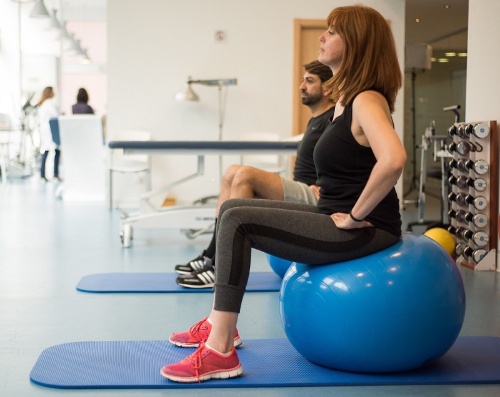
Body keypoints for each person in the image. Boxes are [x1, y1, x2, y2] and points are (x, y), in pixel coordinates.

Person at [161, 4, 406, 383]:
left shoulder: (366, 99)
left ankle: (220, 351)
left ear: (356, 43)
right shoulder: (344, 100)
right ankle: (218, 326)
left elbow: (393, 160)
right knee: (233, 210)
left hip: (368, 229)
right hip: (330, 214)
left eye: (333, 31)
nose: (323, 37)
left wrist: (357, 216)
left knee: (240, 220)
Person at [175, 60, 335, 288]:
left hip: (313, 196)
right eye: (303, 80)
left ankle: (220, 270)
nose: (301, 86)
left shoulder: (332, 119)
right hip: (300, 187)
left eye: (309, 81)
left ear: (327, 88)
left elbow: (340, 157)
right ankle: (210, 255)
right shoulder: (315, 119)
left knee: (245, 175)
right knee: (232, 171)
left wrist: (328, 187)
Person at [37, 86, 60, 182]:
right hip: (50, 130)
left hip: (45, 130)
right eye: (53, 91)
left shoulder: (43, 104)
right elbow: (55, 116)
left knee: (46, 152)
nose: (54, 93)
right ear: (50, 93)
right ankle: (55, 174)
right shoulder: (49, 103)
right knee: (56, 151)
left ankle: (43, 174)